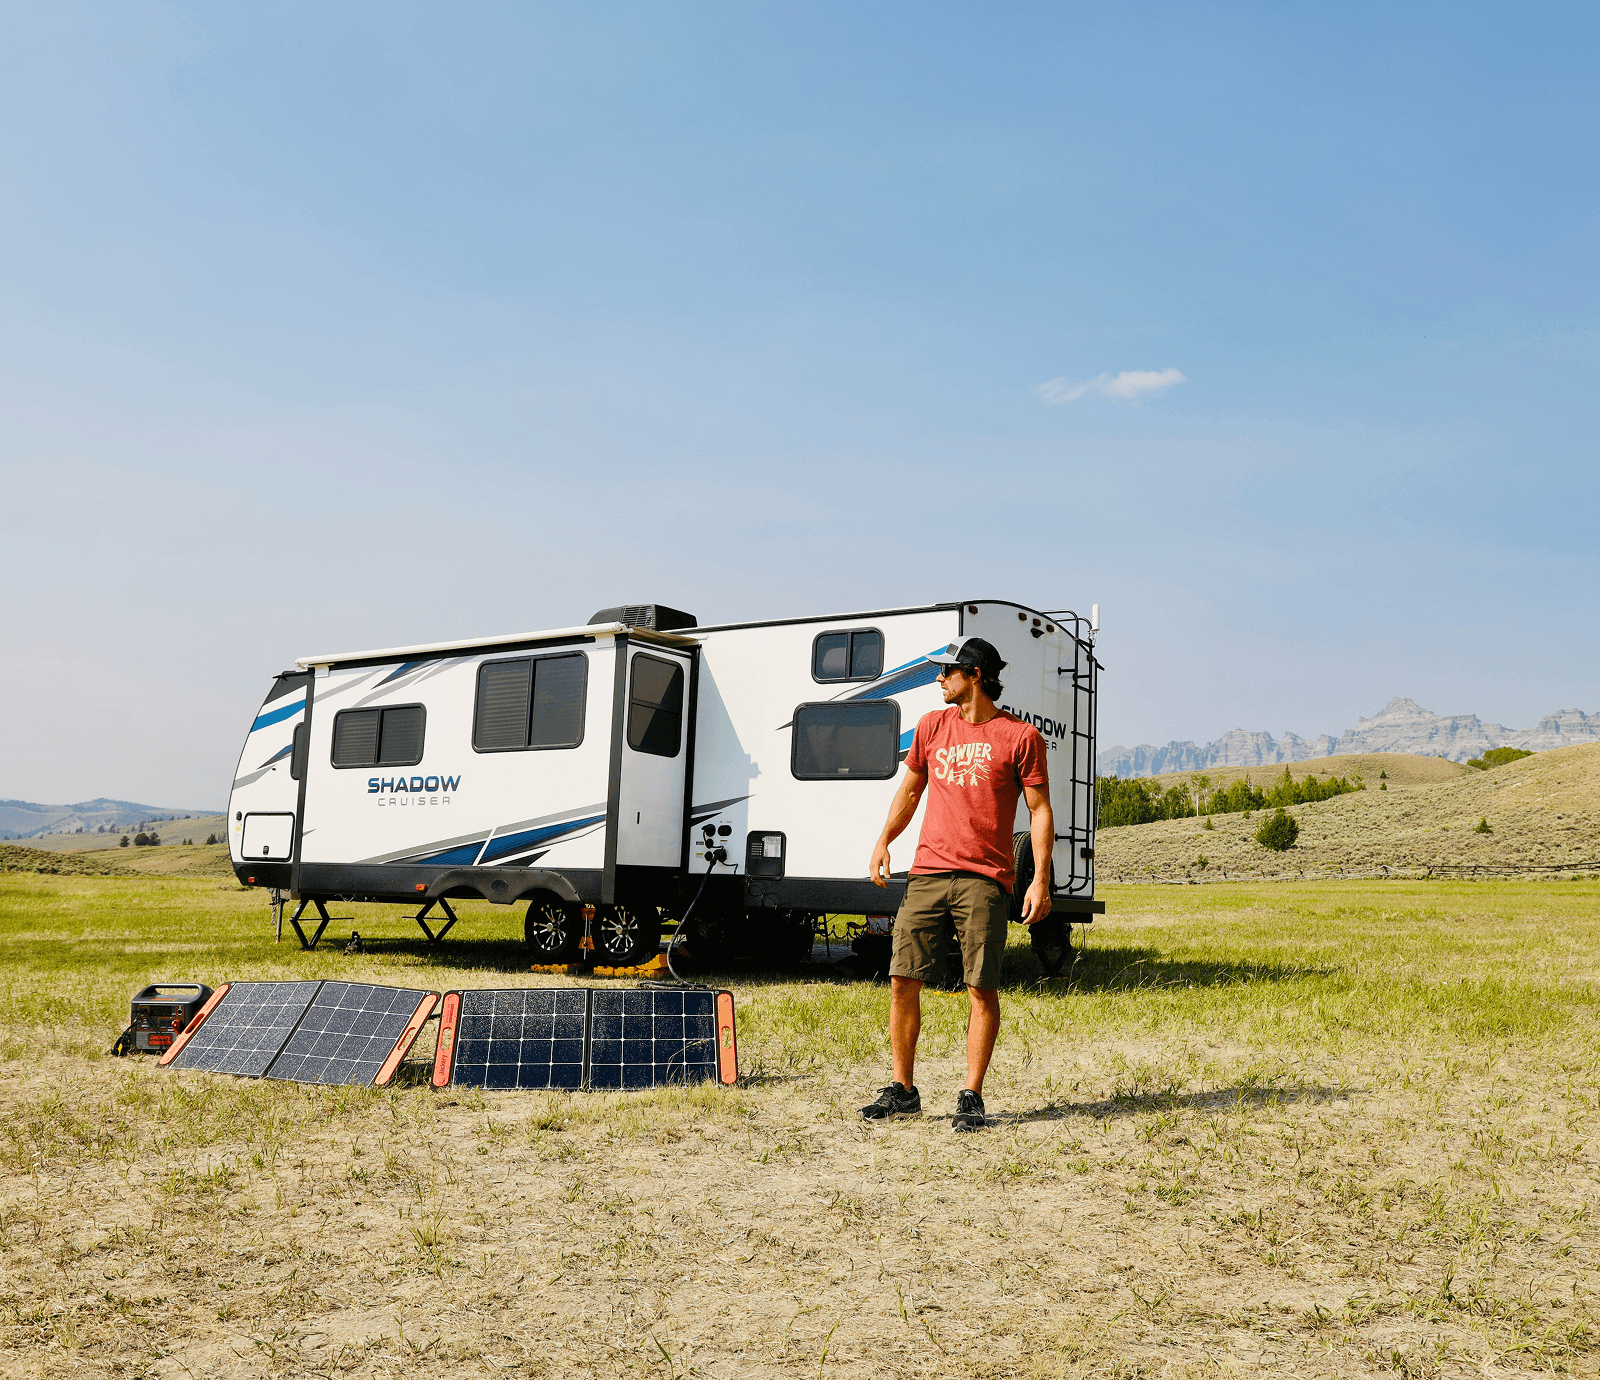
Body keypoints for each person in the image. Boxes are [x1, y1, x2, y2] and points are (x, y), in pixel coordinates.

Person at [860, 636, 1053, 1131]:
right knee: (903, 979)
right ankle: (903, 1090)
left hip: (985, 878)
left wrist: (1040, 881)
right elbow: (909, 790)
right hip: (927, 871)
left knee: (980, 987)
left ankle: (972, 1095)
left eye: (948, 671)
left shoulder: (1020, 737)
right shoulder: (931, 727)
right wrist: (884, 840)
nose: (939, 679)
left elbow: (1039, 812)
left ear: (975, 676)